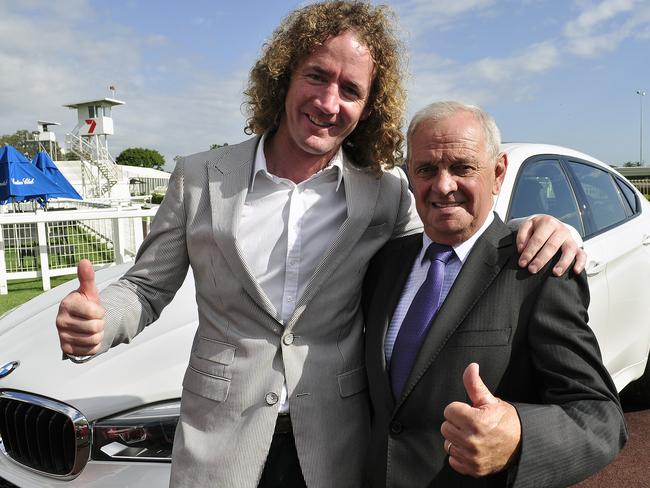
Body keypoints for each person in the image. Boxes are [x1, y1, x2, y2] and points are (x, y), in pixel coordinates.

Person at [55, 3, 584, 488]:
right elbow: (146, 287)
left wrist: (535, 227)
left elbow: (445, 246)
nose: (329, 103)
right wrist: (102, 321)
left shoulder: (385, 192)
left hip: (337, 448)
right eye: (317, 76)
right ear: (284, 76)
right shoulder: (199, 178)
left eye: (350, 90)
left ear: (367, 106)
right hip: (218, 443)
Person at [362, 101, 627, 488]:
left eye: (462, 167)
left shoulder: (537, 270)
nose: (443, 185)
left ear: (498, 173)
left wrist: (519, 436)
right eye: (426, 169)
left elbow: (601, 417)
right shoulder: (384, 264)